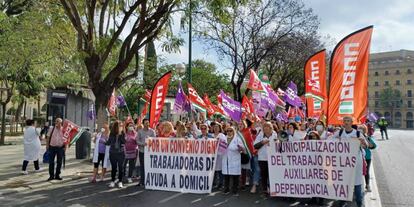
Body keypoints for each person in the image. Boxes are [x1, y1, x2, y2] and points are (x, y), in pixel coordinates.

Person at [334, 116, 367, 207]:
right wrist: (337, 140)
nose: (346, 122)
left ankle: (359, 202)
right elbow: (329, 142)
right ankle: (342, 201)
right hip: (343, 163)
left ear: (352, 122)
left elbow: (366, 146)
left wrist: (362, 142)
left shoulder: (357, 133)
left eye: (348, 120)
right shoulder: (339, 132)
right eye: (345, 121)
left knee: (356, 184)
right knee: (343, 183)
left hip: (356, 162)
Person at [254, 122, 277, 195]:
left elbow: (278, 145)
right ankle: (264, 189)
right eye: (265, 127)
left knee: (272, 174)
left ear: (271, 128)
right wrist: (262, 143)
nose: (266, 128)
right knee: (264, 174)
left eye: (268, 127)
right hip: (262, 158)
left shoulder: (275, 134)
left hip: (272, 158)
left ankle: (272, 189)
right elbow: (255, 146)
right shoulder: (260, 135)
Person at [221, 126, 246, 195]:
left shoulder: (237, 139)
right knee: (226, 176)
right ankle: (226, 189)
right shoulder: (223, 139)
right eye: (228, 131)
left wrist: (240, 148)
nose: (229, 132)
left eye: (230, 130)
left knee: (235, 176)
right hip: (226, 159)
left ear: (234, 131)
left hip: (235, 159)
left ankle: (235, 190)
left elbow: (243, 149)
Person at [106, 121, 126, 188]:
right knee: (114, 168)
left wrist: (120, 134)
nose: (121, 127)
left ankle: (120, 181)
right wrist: (104, 142)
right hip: (113, 153)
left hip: (121, 153)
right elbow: (108, 142)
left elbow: (124, 142)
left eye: (121, 125)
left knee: (121, 168)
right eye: (120, 125)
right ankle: (112, 181)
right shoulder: (112, 133)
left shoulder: (123, 133)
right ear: (116, 126)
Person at [136, 119, 156, 186]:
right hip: (142, 152)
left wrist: (150, 142)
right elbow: (137, 141)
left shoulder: (152, 131)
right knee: (142, 167)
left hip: (150, 153)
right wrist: (142, 144)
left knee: (149, 166)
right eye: (146, 123)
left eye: (148, 123)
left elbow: (155, 141)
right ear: (143, 124)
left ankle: (149, 181)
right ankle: (142, 181)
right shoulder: (140, 131)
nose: (147, 124)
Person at [359, 124, 377, 192]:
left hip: (367, 157)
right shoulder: (355, 136)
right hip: (358, 157)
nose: (360, 130)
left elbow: (373, 146)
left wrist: (365, 138)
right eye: (359, 129)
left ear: (364, 130)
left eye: (362, 129)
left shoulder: (368, 137)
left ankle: (367, 185)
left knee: (366, 171)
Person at [211, 122, 225, 189]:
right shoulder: (211, 135)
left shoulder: (222, 135)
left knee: (219, 170)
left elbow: (225, 144)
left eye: (217, 127)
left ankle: (221, 183)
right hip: (212, 155)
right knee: (213, 170)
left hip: (219, 155)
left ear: (220, 128)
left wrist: (219, 141)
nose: (216, 128)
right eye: (215, 127)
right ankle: (213, 183)